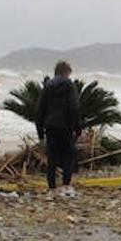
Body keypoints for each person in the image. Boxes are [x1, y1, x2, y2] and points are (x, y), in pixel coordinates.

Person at [35, 60, 82, 198]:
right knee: (68, 155)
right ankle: (66, 186)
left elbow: (39, 109)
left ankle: (52, 188)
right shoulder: (69, 85)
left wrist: (40, 132)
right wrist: (77, 127)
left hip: (50, 126)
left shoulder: (47, 86)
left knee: (52, 157)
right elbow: (74, 107)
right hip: (66, 126)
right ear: (67, 72)